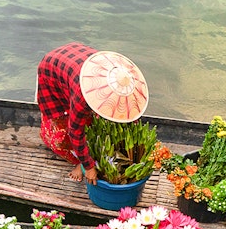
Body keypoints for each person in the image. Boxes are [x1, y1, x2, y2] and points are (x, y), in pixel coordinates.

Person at [35, 42, 149, 184]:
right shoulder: (83, 96)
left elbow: (130, 112)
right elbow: (75, 132)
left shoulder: (126, 81)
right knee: (61, 131)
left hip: (78, 59)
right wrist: (88, 166)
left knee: (94, 121)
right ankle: (79, 161)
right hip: (52, 68)